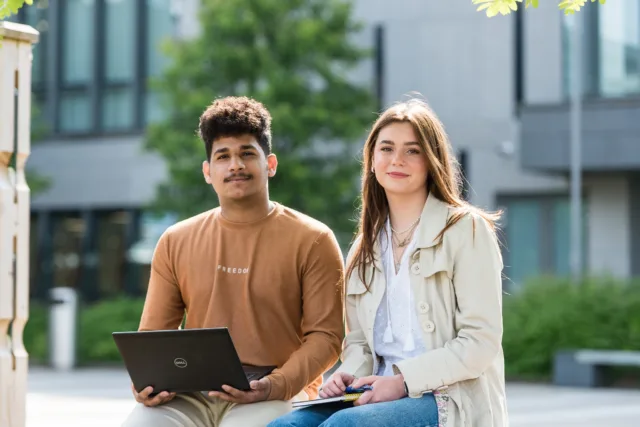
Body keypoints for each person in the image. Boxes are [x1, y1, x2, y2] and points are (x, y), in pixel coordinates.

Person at [268, 98, 508, 427]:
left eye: (413, 150)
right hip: (374, 392)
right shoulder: (364, 248)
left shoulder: (465, 229)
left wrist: (402, 381)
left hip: (446, 399)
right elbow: (360, 343)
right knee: (284, 426)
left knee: (343, 426)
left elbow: (480, 342)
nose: (397, 160)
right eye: (386, 148)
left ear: (431, 161)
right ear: (371, 159)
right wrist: (347, 374)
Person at [122, 96, 346, 427]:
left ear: (270, 164)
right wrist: (145, 384)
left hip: (277, 391)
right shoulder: (175, 240)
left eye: (246, 153)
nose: (235, 165)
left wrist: (273, 385)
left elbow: (327, 338)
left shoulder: (314, 239)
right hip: (192, 392)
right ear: (207, 171)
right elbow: (152, 336)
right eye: (223, 156)